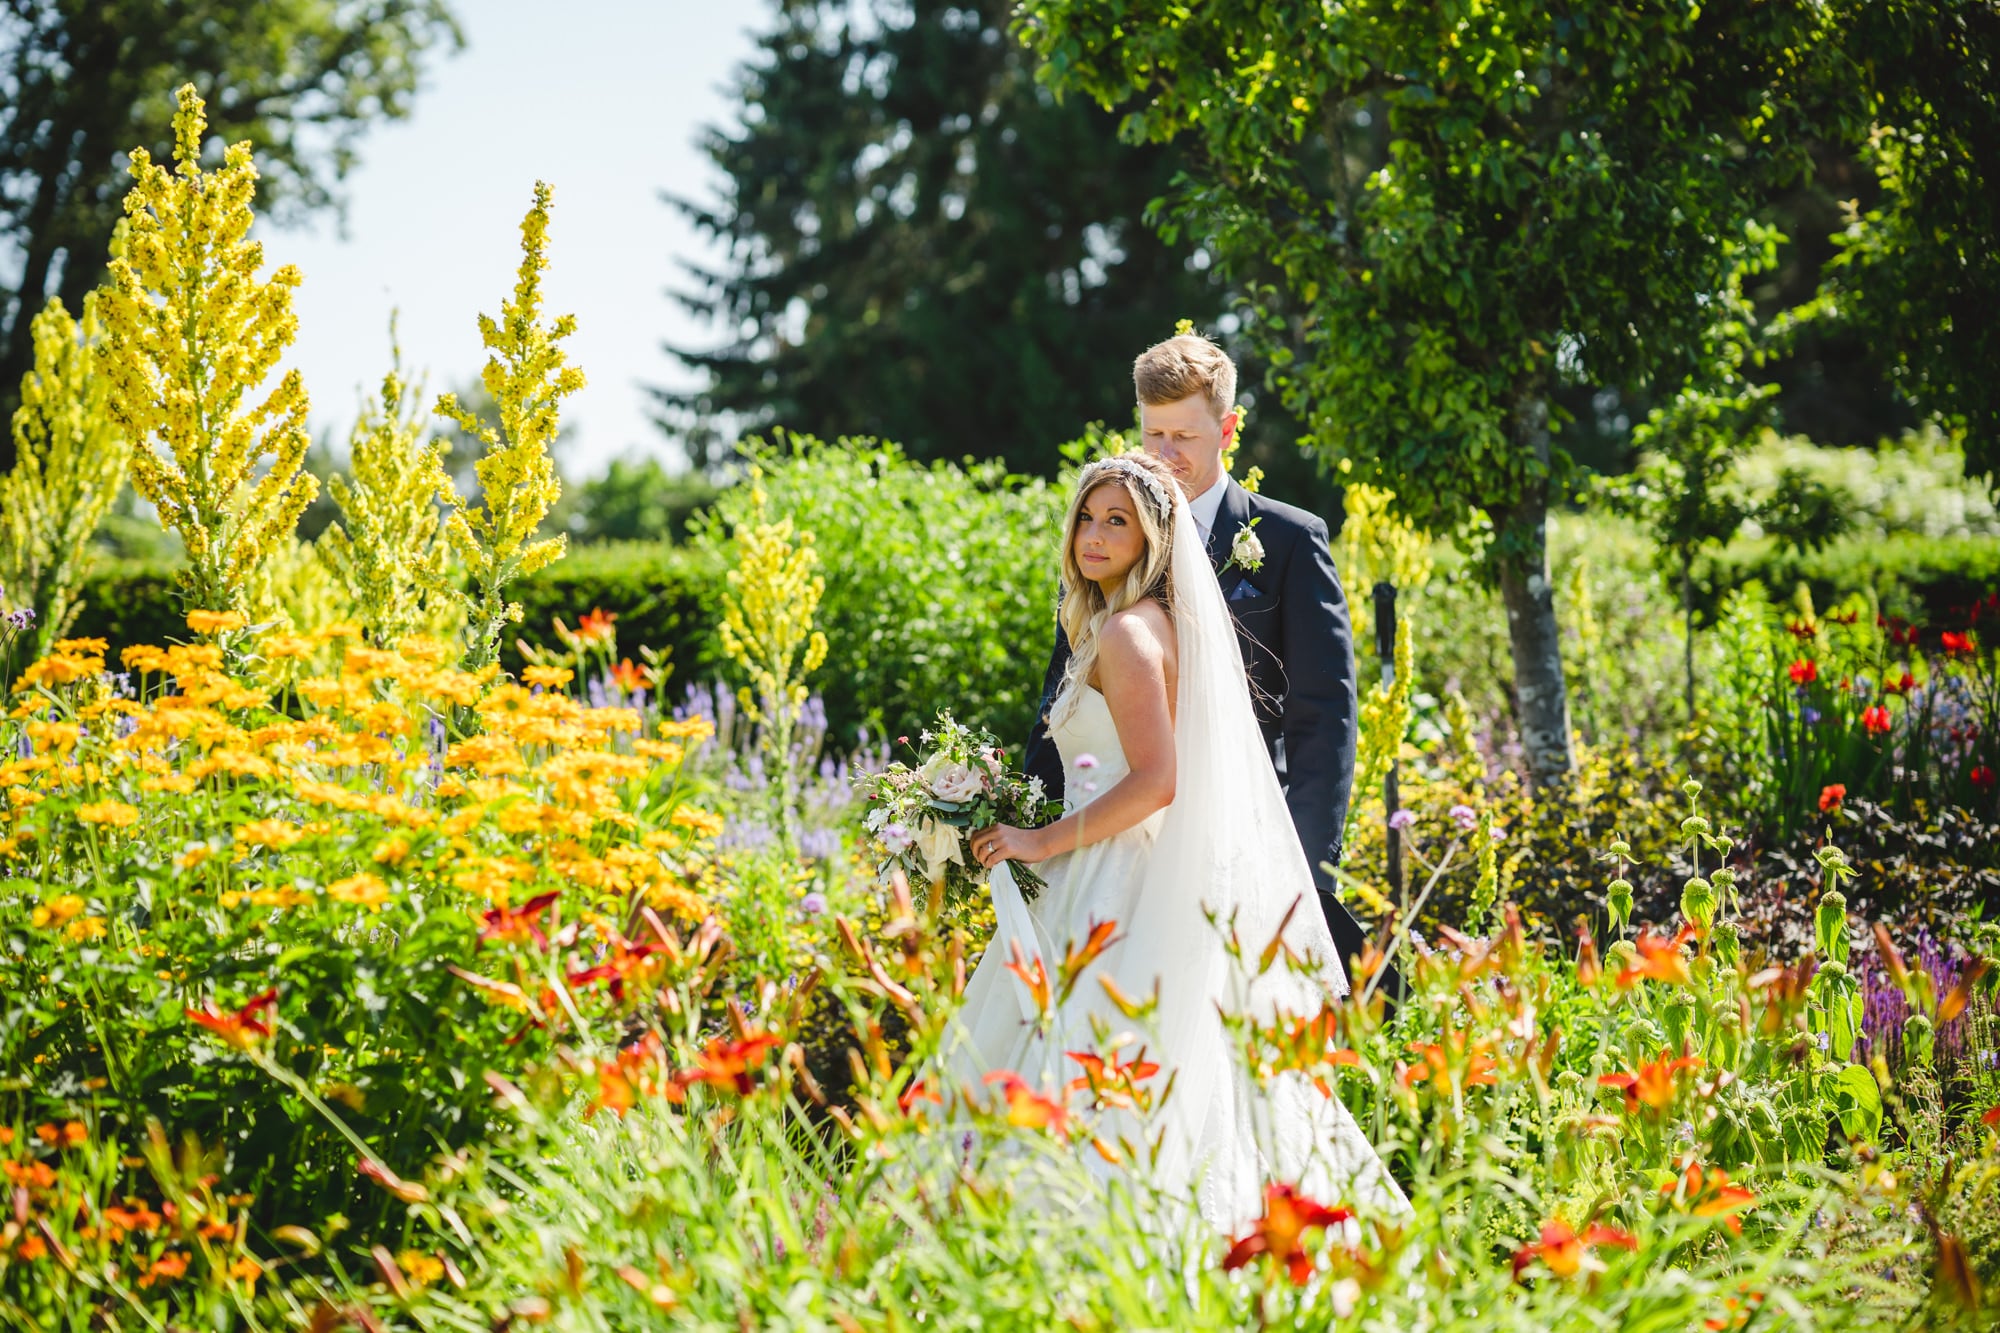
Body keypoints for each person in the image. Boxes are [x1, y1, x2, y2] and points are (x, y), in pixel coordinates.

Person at [952, 450, 1405, 1231]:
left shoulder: (1130, 633)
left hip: (1114, 884)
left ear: (1154, 535)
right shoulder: (1139, 621)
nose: (1093, 535)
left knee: (1094, 1080)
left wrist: (1039, 840)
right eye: (1086, 519)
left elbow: (1158, 781)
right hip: (1114, 872)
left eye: (1116, 521)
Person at [1023, 333, 1401, 1003]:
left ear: (1225, 429)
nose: (1164, 456)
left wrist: (1308, 870)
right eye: (1152, 434)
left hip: (1245, 842)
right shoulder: (1104, 542)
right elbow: (1064, 697)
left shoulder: (1286, 541)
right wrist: (1027, 816)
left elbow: (1323, 716)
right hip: (1116, 849)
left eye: (1183, 438)